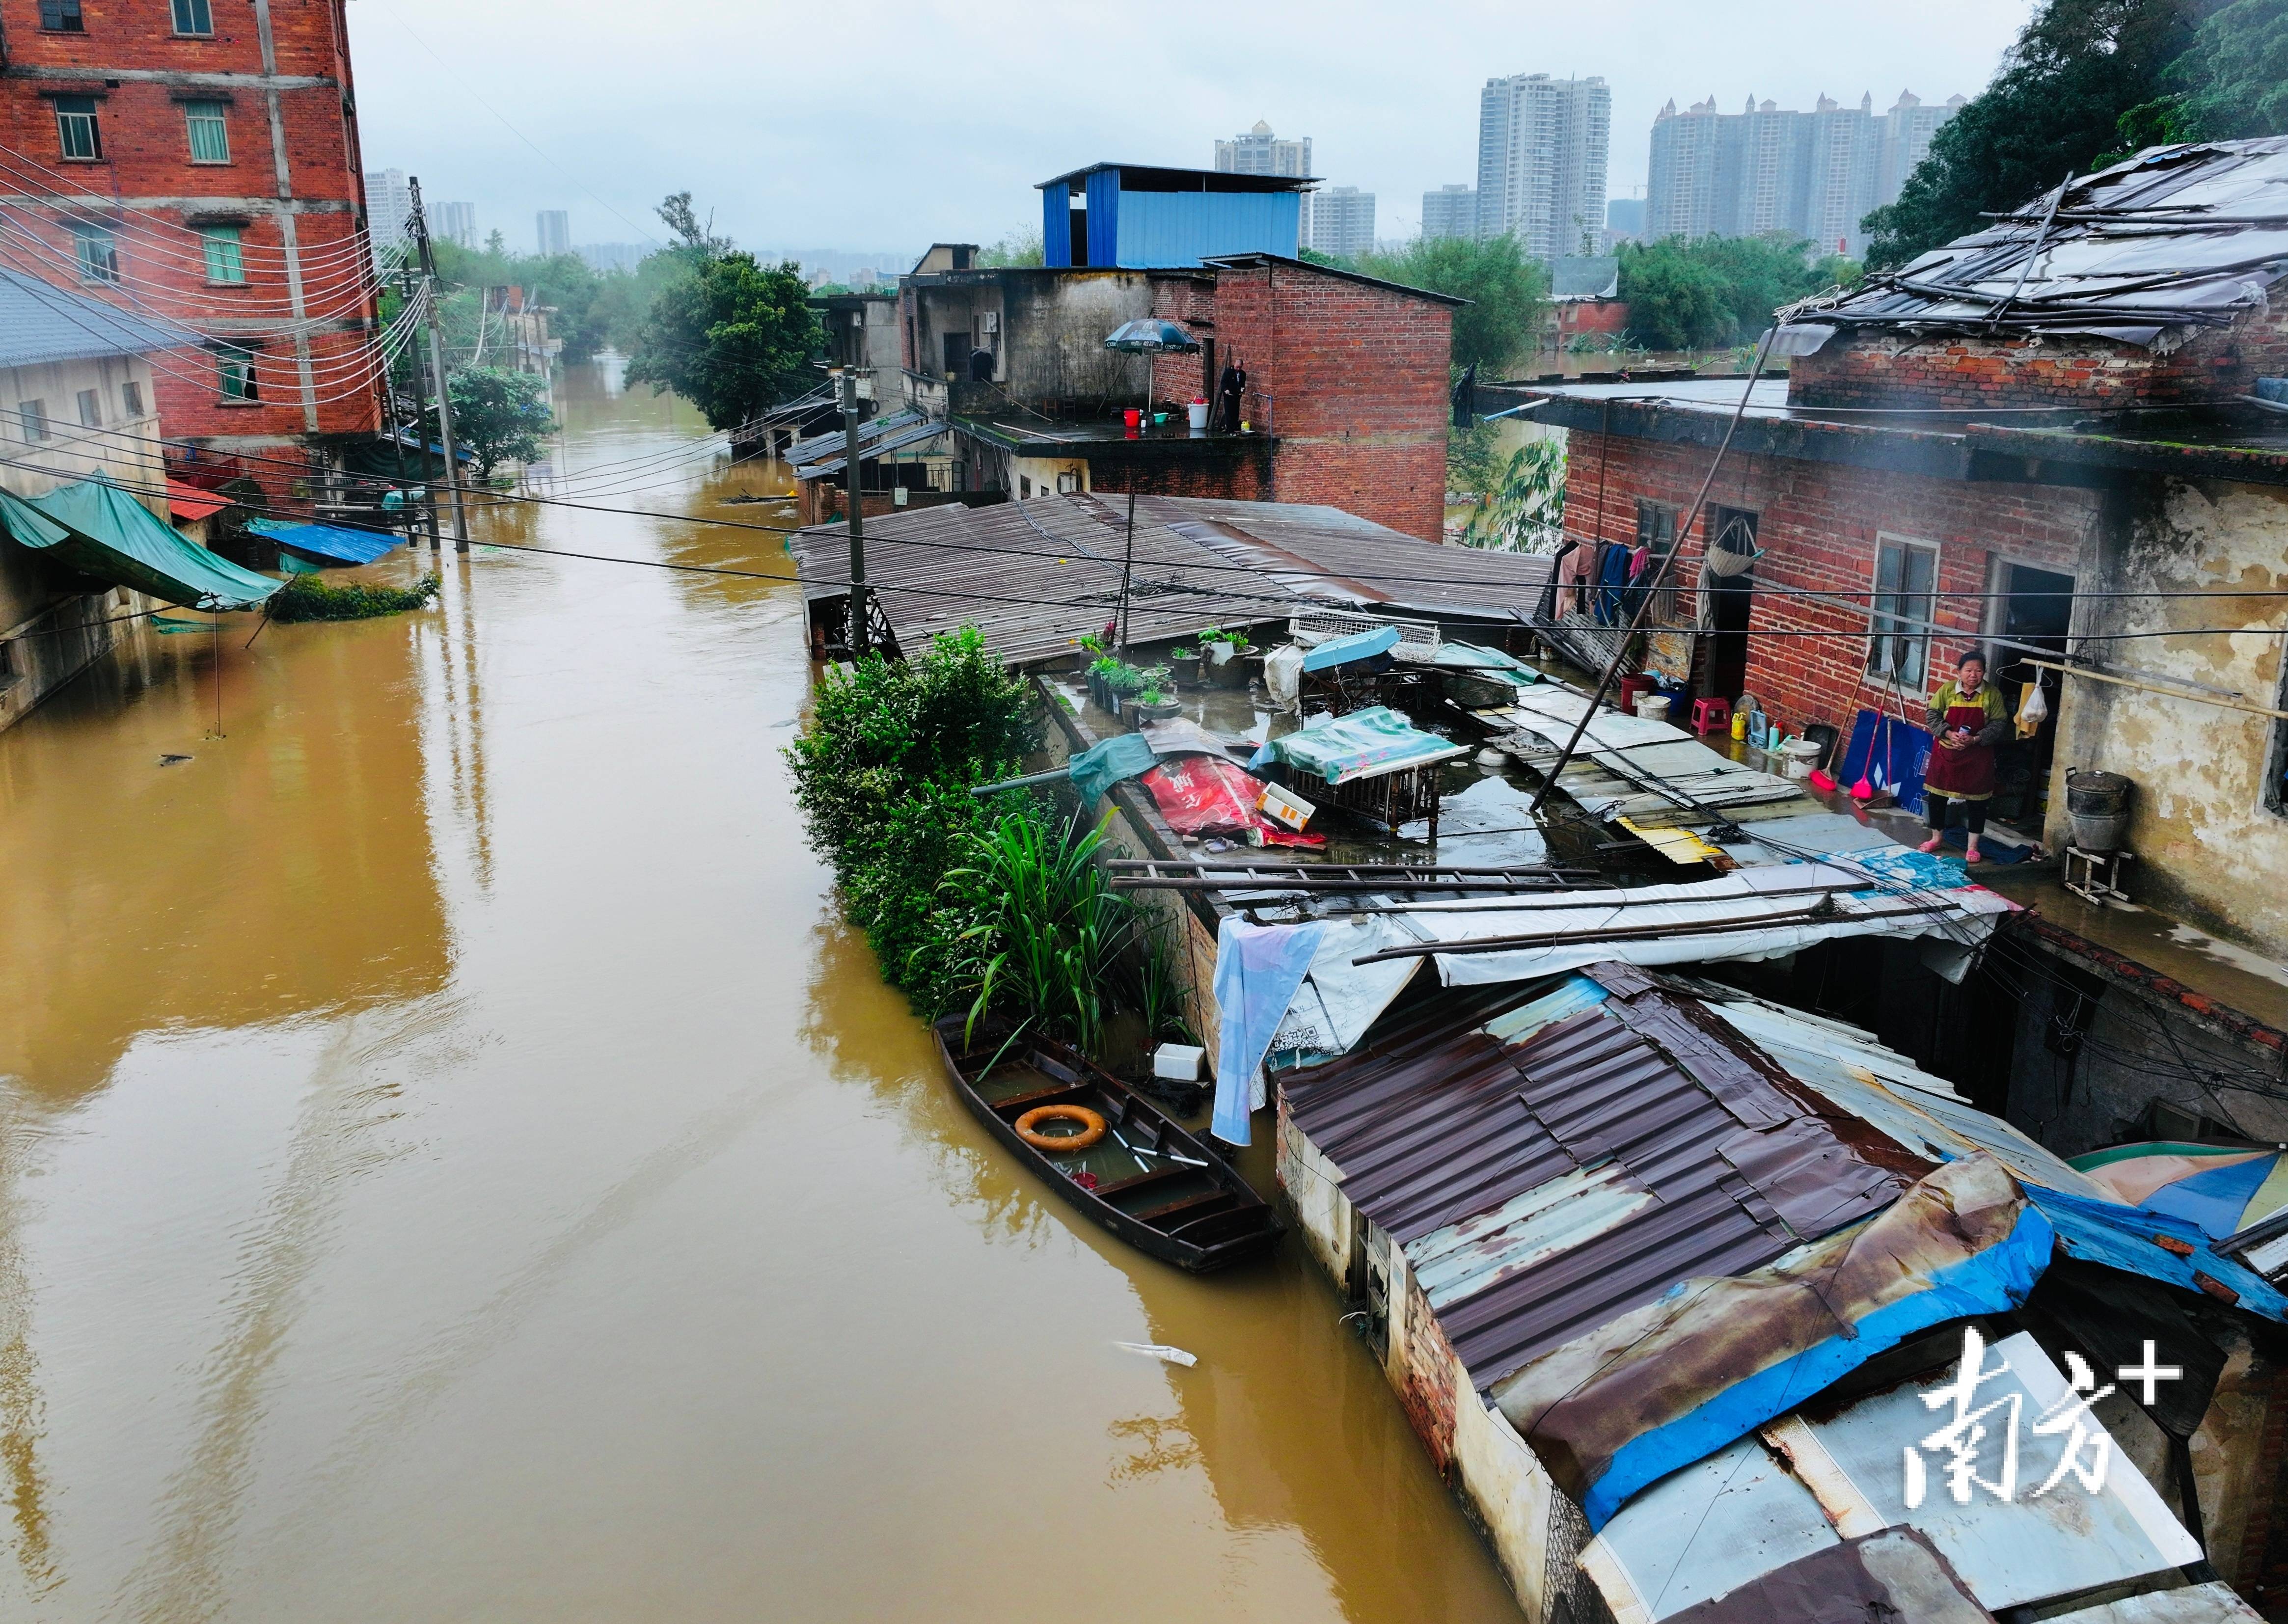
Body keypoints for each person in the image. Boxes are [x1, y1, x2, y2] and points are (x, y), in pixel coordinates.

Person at [1919, 650, 2008, 862]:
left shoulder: (1992, 694)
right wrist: (1949, 733)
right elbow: (1932, 714)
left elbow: (1999, 723)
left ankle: (1973, 846)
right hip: (1946, 752)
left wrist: (1976, 739)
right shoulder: (1948, 690)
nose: (1973, 675)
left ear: (1984, 673)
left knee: (1978, 802)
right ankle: (1936, 838)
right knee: (1937, 797)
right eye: (1968, 670)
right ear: (1959, 672)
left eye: (1978, 671)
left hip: (1977, 755)